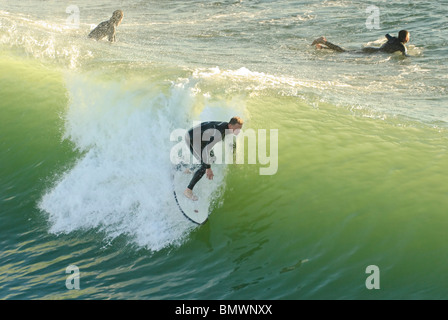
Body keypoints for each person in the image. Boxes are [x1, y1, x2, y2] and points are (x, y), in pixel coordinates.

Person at [184, 116, 244, 201]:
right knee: (205, 165)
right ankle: (188, 190)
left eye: (240, 129)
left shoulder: (226, 128)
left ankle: (189, 170)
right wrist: (208, 168)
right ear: (230, 126)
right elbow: (205, 150)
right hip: (192, 139)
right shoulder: (219, 133)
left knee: (212, 158)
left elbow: (232, 144)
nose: (239, 131)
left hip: (200, 139)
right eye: (237, 129)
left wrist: (235, 160)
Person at [311, 30, 410, 56]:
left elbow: (386, 35)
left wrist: (390, 39)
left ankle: (321, 47)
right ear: (406, 38)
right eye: (409, 37)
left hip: (371, 50)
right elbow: (405, 56)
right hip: (372, 53)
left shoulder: (393, 39)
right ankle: (323, 41)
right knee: (343, 52)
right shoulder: (401, 47)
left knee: (345, 52)